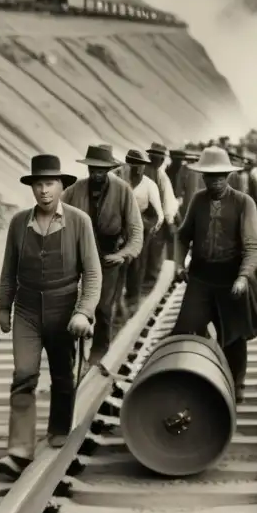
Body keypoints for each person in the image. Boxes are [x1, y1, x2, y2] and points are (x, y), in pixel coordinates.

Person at [0, 155, 101, 478]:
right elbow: (8, 271)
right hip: (26, 309)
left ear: (62, 187)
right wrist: (3, 307)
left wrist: (83, 312)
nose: (44, 191)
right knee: (24, 374)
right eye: (38, 184)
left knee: (62, 374)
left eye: (50, 184)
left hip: (64, 307)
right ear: (32, 187)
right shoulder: (18, 223)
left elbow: (93, 275)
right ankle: (19, 450)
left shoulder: (80, 222)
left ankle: (59, 428)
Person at [172, 146, 257, 403]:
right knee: (186, 330)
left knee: (234, 335)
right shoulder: (198, 201)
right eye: (210, 176)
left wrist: (243, 277)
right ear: (203, 177)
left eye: (221, 176)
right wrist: (179, 265)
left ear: (229, 176)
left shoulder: (243, 202)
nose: (216, 181)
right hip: (201, 277)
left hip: (231, 276)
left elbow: (253, 245)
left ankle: (236, 384)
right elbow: (182, 235)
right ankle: (191, 379)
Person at [62, 144, 143, 362]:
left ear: (108, 169)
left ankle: (100, 351)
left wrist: (123, 254)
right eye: (93, 169)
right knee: (72, 306)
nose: (96, 173)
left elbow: (135, 228)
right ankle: (69, 353)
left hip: (108, 258)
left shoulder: (122, 190)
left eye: (101, 169)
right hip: (78, 258)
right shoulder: (74, 190)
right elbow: (56, 220)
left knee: (104, 308)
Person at [116, 148, 164, 316]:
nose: (137, 168)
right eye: (133, 164)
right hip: (119, 228)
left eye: (141, 165)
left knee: (136, 264)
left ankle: (132, 299)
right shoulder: (118, 180)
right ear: (127, 164)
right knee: (118, 264)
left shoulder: (149, 185)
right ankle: (116, 302)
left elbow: (159, 214)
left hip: (141, 229)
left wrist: (147, 228)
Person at [143, 142, 179, 287]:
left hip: (157, 219)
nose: (160, 160)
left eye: (162, 158)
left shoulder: (160, 174)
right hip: (152, 218)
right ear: (151, 157)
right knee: (151, 252)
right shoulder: (149, 173)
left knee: (154, 252)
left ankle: (150, 280)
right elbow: (165, 201)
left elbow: (169, 199)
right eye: (157, 157)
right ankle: (149, 282)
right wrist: (170, 221)